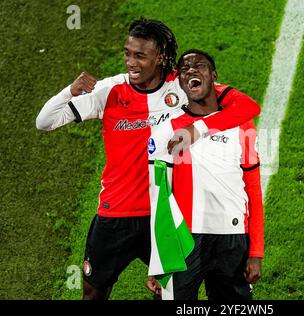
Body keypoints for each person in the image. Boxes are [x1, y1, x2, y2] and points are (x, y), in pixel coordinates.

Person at [36, 18, 260, 300]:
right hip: (115, 213)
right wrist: (70, 90)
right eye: (127, 53)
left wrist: (198, 128)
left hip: (164, 217)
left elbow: (247, 106)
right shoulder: (110, 90)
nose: (131, 62)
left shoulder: (180, 88)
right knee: (93, 290)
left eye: (140, 56)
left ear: (161, 57)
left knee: (170, 292)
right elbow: (44, 121)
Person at [147, 49, 264, 300]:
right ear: (180, 83)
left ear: (213, 75)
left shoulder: (241, 124)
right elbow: (159, 199)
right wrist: (159, 261)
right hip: (184, 238)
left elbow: (253, 188)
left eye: (198, 66)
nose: (191, 71)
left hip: (232, 238)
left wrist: (256, 252)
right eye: (185, 69)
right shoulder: (166, 130)